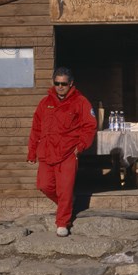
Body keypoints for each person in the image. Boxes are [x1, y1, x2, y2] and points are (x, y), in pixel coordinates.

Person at [27, 67, 97, 236]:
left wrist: (80, 146)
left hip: (67, 153)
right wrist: (32, 151)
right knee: (44, 185)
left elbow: (90, 126)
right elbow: (36, 128)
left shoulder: (81, 102)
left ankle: (62, 223)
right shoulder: (45, 103)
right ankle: (67, 205)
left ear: (70, 83)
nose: (60, 87)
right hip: (46, 152)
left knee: (65, 189)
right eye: (57, 83)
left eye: (63, 84)